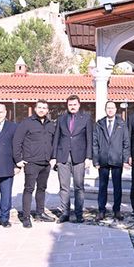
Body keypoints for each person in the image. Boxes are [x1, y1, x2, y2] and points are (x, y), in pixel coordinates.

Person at [13, 100, 56, 228]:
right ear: (35, 109)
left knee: (42, 188)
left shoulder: (51, 124)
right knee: (29, 189)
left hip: (45, 162)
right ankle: (26, 217)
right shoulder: (26, 123)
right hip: (31, 162)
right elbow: (17, 141)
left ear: (47, 110)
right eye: (40, 107)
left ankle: (40, 213)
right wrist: (18, 160)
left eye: (44, 108)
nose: (42, 110)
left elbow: (54, 142)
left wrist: (53, 157)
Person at [52, 95, 93, 223]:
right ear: (67, 106)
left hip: (79, 157)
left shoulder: (86, 118)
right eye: (70, 105)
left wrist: (89, 157)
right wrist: (54, 157)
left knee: (78, 186)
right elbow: (56, 139)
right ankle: (65, 213)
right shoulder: (61, 119)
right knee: (64, 187)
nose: (72, 107)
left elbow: (89, 139)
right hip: (62, 156)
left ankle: (79, 213)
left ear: (79, 105)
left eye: (74, 104)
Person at [93, 101, 130, 220]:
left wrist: (125, 159)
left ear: (116, 110)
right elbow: (95, 143)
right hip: (103, 159)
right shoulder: (99, 124)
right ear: (105, 109)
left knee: (117, 186)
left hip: (116, 159)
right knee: (102, 186)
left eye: (112, 108)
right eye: (108, 108)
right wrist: (96, 160)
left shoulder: (122, 124)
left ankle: (117, 210)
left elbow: (126, 143)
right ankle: (101, 210)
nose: (110, 110)